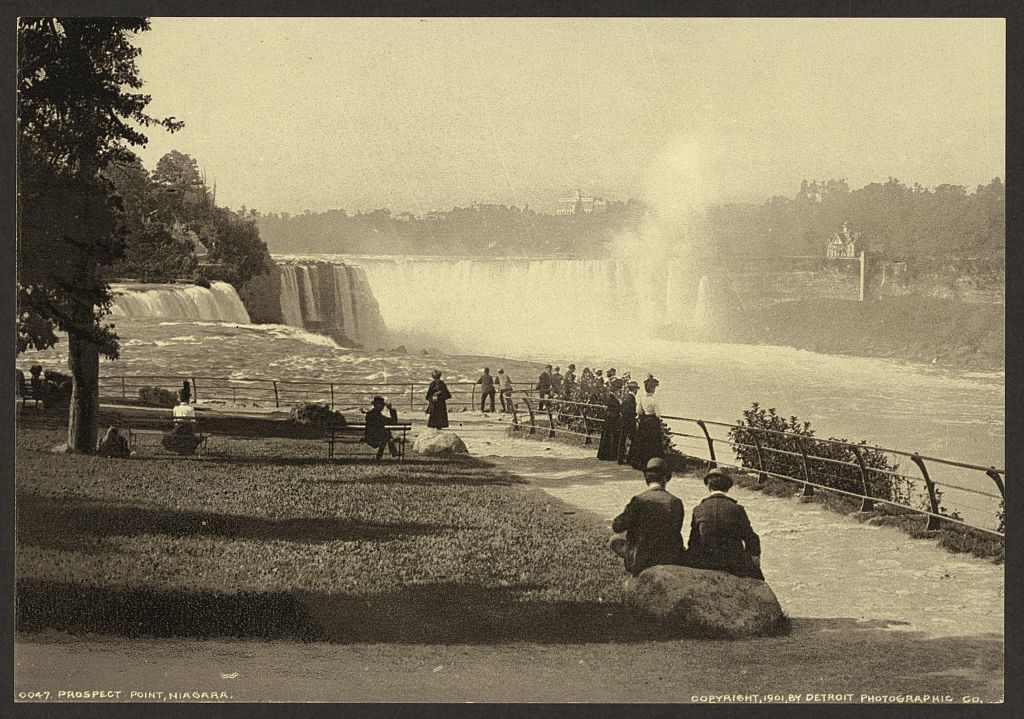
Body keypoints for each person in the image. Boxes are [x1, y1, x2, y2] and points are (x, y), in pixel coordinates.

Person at [610, 458, 686, 576]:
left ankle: (633, 571)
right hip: (668, 557)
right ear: (664, 479)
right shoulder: (675, 502)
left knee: (614, 540)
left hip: (642, 558)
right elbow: (676, 529)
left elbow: (617, 526)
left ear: (646, 479)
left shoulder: (639, 500)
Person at [687, 470, 765, 580]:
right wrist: (754, 558)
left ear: (709, 487)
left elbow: (693, 541)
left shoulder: (699, 509)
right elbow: (750, 538)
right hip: (733, 564)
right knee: (758, 578)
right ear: (727, 488)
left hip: (705, 563)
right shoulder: (737, 509)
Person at [627, 375, 664, 471]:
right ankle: (653, 463)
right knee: (653, 444)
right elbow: (658, 414)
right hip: (652, 422)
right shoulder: (654, 400)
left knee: (643, 443)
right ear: (652, 389)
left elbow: (638, 411)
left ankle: (642, 462)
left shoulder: (642, 398)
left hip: (644, 422)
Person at [364, 396, 400, 460]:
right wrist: (391, 410)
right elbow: (393, 421)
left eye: (383, 405)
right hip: (374, 438)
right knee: (387, 435)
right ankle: (392, 452)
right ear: (376, 405)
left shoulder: (370, 414)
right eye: (381, 405)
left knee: (387, 435)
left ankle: (389, 452)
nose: (383, 407)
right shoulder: (378, 416)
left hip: (369, 436)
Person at [596, 386, 622, 461]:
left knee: (608, 436)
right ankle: (610, 455)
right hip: (612, 419)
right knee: (611, 436)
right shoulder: (612, 398)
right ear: (616, 390)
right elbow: (614, 409)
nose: (619, 391)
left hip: (610, 419)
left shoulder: (612, 397)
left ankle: (608, 454)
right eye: (618, 390)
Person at [617, 380, 639, 465]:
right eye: (636, 389)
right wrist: (635, 418)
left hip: (623, 421)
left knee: (622, 439)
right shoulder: (631, 398)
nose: (637, 391)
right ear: (633, 389)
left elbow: (622, 409)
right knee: (634, 439)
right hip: (630, 421)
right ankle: (630, 458)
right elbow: (630, 411)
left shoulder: (625, 396)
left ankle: (620, 458)